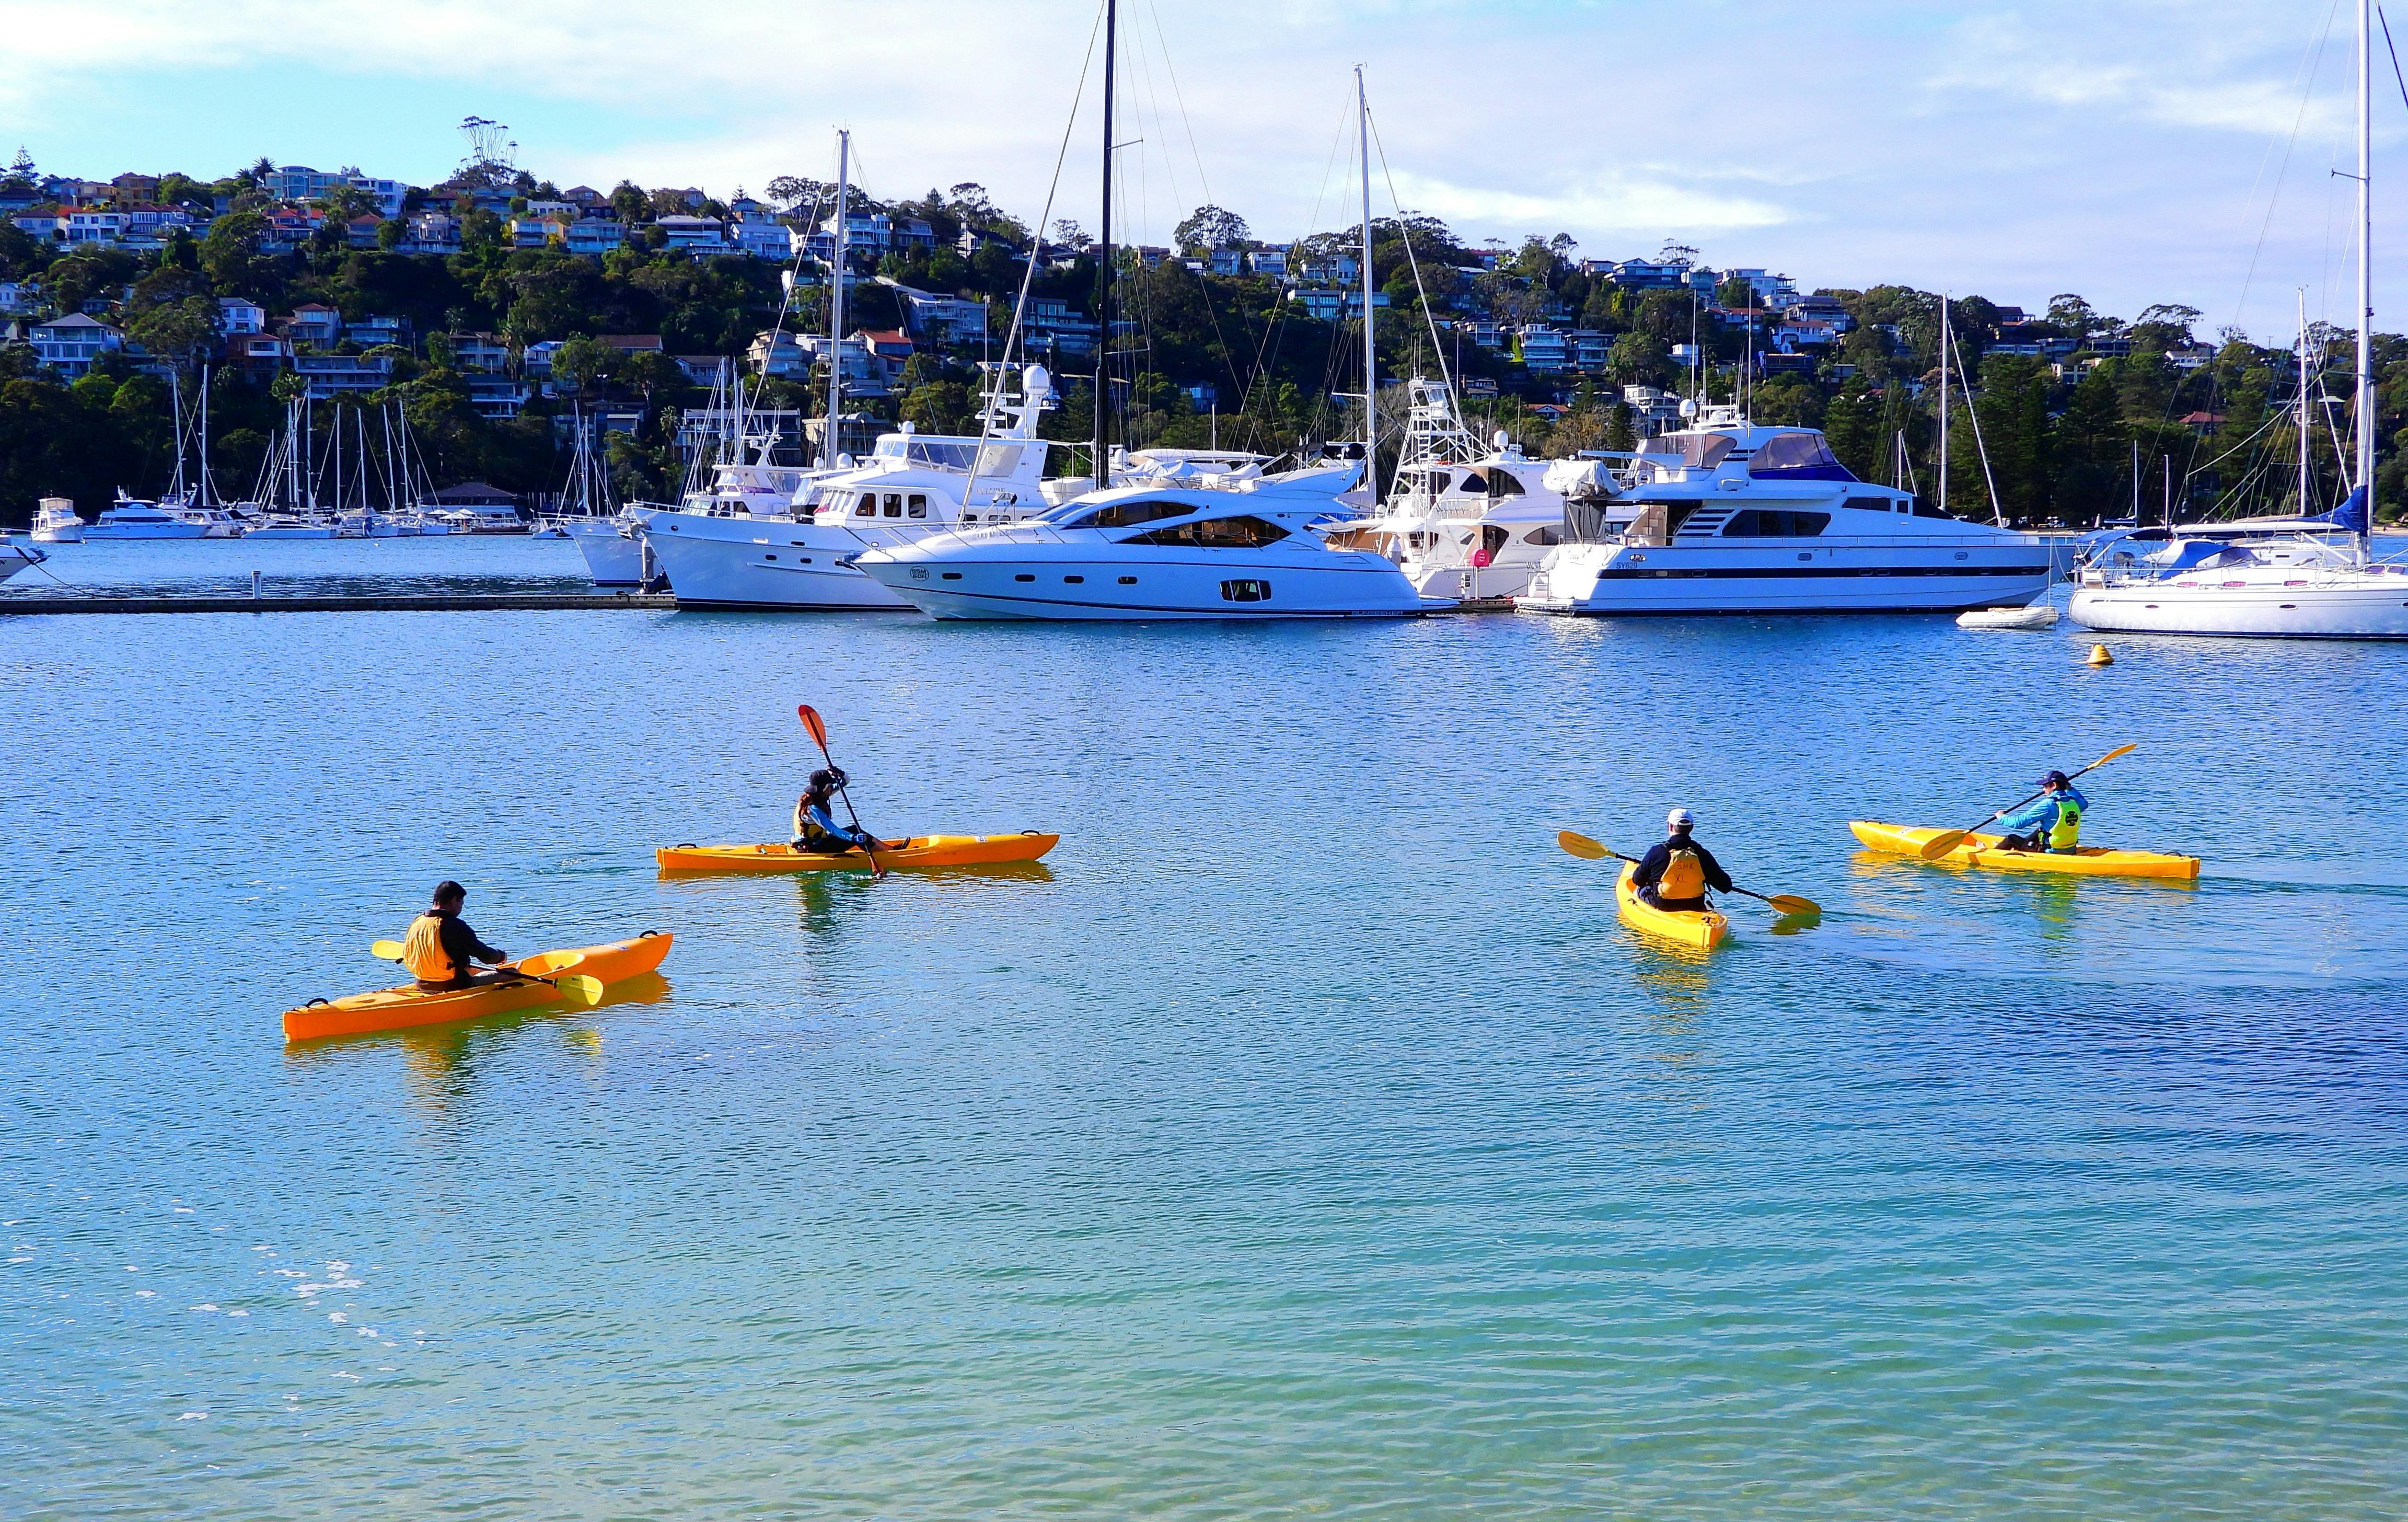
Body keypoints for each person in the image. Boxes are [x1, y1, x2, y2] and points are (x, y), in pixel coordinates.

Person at [400, 880, 510, 990]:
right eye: (461, 904)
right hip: (453, 985)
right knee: (512, 973)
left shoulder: (417, 922)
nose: (461, 909)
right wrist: (501, 956)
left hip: (422, 984)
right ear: (454, 901)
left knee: (474, 970)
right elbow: (487, 957)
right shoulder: (453, 925)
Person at [1631, 808, 1733, 912]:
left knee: (1638, 890)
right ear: (1691, 828)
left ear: (1670, 827)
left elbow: (1638, 880)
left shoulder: (1657, 852)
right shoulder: (1702, 854)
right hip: (1695, 904)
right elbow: (1726, 886)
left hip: (1663, 905)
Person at [792, 767, 884, 856]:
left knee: (854, 829)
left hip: (817, 842)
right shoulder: (813, 809)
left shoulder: (817, 795)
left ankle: (888, 848)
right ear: (824, 788)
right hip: (813, 848)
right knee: (855, 832)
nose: (832, 788)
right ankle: (884, 854)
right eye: (830, 786)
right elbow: (834, 830)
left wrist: (840, 774)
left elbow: (845, 781)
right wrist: (853, 838)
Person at [1992, 770, 2087, 853]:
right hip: (2070, 849)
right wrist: (2070, 789)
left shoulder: (2048, 804)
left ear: (2054, 785)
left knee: (2011, 839)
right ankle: (2014, 845)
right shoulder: (2074, 803)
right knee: (2041, 830)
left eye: (2045, 786)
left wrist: (2001, 817)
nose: (2043, 789)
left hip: (2050, 852)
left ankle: (1994, 853)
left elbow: (2018, 823)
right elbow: (2084, 803)